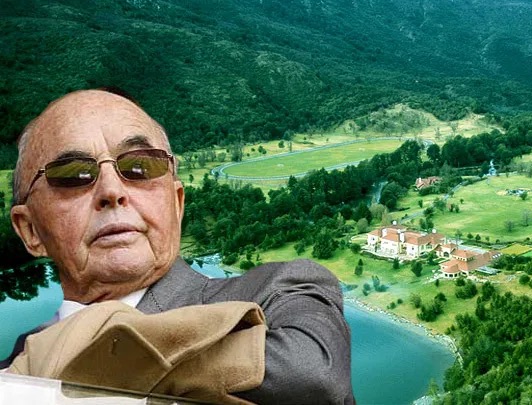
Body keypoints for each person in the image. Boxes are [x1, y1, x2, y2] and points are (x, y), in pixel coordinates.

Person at [1, 89, 354, 404]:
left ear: (176, 203)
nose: (112, 191)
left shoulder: (277, 291)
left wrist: (67, 361)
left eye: (140, 165)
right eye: (73, 174)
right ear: (30, 230)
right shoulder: (18, 359)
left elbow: (312, 377)